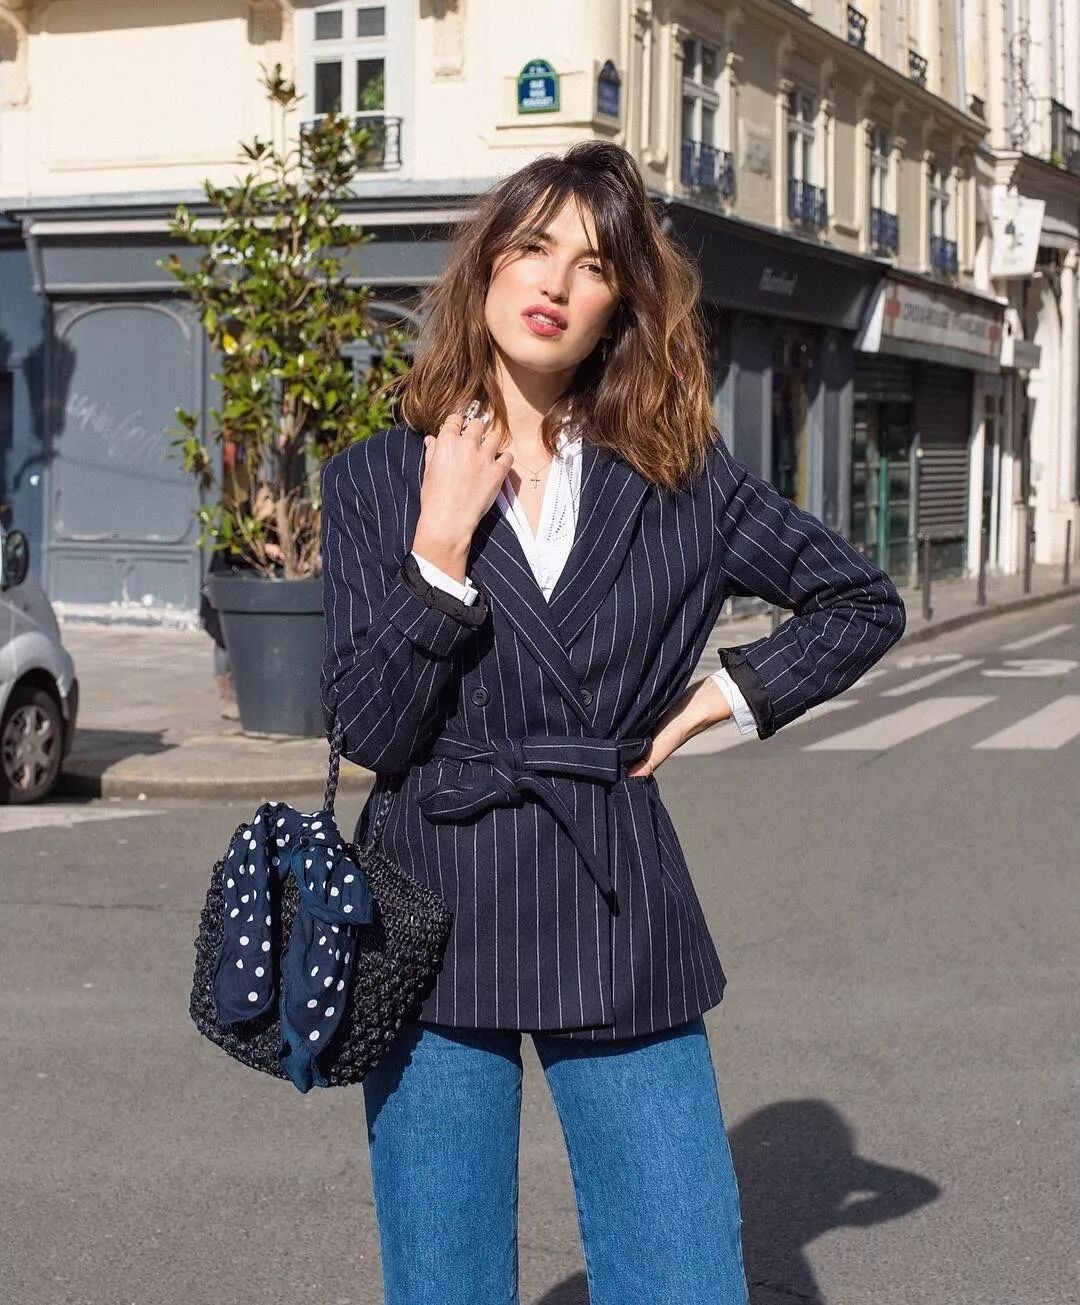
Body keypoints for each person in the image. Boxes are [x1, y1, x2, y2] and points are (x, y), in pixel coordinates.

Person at [319, 141, 906, 1305]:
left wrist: (718, 701)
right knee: (443, 1281)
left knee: (682, 1271)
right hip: (428, 906)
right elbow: (369, 730)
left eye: (592, 266)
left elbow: (860, 602)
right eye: (533, 247)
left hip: (614, 897)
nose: (555, 282)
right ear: (485, 267)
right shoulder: (381, 479)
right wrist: (439, 547)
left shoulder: (679, 477)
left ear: (619, 309)